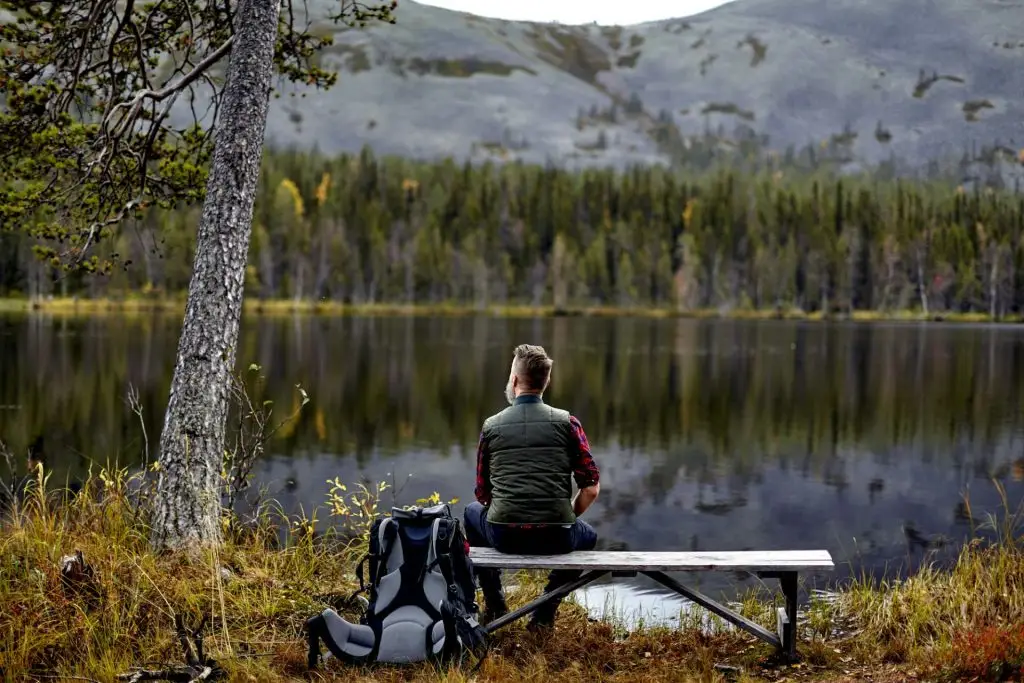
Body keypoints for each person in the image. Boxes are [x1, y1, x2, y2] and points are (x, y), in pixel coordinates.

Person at [463, 343, 601, 631]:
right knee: (588, 537)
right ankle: (545, 612)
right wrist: (566, 517)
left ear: (514, 381)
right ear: (546, 382)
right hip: (557, 537)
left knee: (471, 512)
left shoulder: (491, 426)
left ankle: (495, 602)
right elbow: (590, 488)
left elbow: (482, 493)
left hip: (504, 535)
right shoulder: (568, 423)